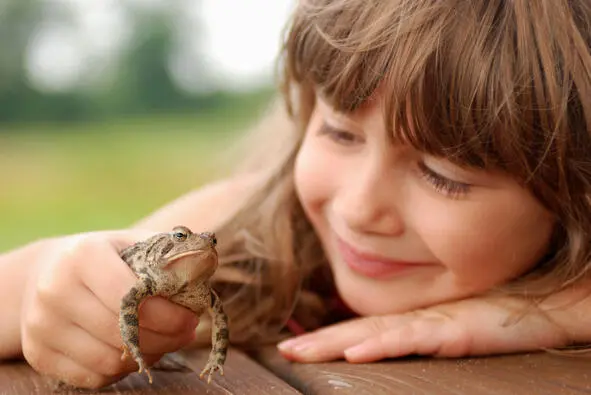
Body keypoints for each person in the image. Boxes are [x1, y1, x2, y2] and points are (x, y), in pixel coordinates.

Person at [2, 0, 591, 389]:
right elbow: (42, 283)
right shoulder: (248, 225)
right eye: (339, 131)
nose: (360, 210)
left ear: (572, 194)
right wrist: (49, 280)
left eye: (444, 175)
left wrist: (560, 310)